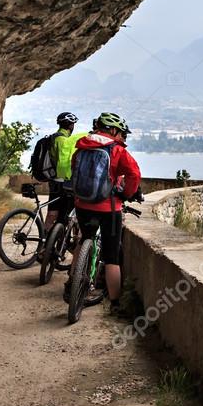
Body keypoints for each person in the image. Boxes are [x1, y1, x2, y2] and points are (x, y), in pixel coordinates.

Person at [66, 112, 141, 311]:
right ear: (114, 130)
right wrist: (126, 194)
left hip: (82, 204)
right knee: (111, 256)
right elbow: (134, 174)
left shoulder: (82, 146)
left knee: (83, 240)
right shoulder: (117, 150)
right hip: (109, 207)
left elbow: (74, 169)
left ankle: (70, 285)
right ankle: (115, 303)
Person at [44, 112, 84, 233]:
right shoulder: (63, 140)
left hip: (54, 181)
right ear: (71, 125)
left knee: (52, 213)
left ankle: (45, 244)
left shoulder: (54, 136)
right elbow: (63, 162)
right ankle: (55, 243)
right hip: (62, 181)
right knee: (64, 214)